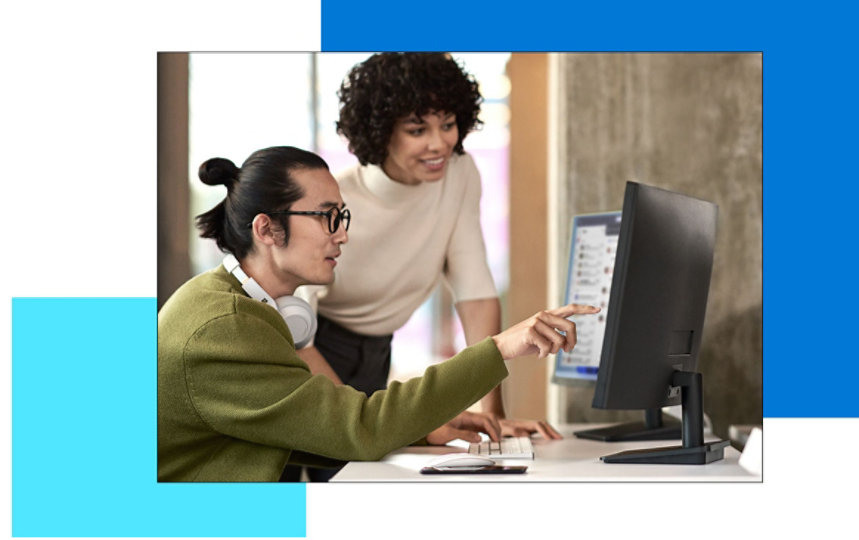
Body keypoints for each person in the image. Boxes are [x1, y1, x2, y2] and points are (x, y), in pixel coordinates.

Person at [157, 145, 598, 482]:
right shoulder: (224, 329)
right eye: (327, 217)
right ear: (266, 228)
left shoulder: (242, 307)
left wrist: (424, 430)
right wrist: (501, 347)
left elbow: (324, 430)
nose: (342, 235)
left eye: (342, 216)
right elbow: (359, 429)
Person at [294, 53, 559, 462]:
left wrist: (494, 416)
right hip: (308, 353)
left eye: (448, 124)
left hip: (377, 355)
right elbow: (296, 333)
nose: (439, 144)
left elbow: (475, 294)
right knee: (306, 482)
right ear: (381, 131)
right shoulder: (337, 199)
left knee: (362, 480)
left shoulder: (460, 174)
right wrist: (362, 423)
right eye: (418, 129)